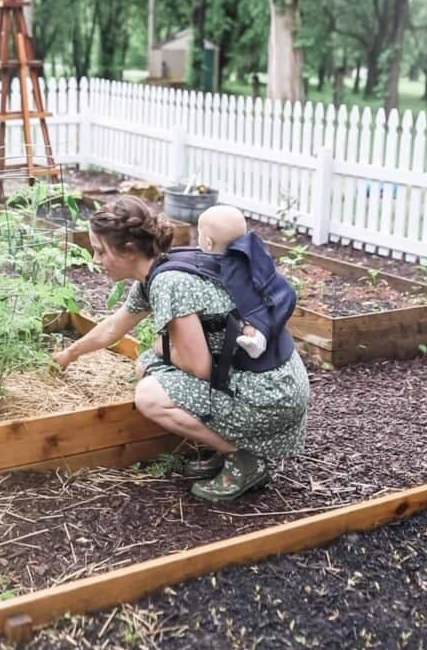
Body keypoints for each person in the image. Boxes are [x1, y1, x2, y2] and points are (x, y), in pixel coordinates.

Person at [53, 196, 309, 503]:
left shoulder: (169, 284)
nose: (96, 260)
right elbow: (113, 326)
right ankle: (227, 446)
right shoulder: (162, 268)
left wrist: (162, 350)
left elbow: (199, 366)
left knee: (149, 395)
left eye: (100, 250)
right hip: (273, 377)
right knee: (145, 365)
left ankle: (243, 458)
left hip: (269, 394)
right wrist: (70, 354)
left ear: (129, 250)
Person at [197, 204, 288, 359]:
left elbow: (238, 298)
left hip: (252, 312)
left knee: (251, 326)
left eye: (199, 233)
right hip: (276, 297)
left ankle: (257, 343)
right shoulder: (252, 251)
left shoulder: (228, 268)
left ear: (209, 242)